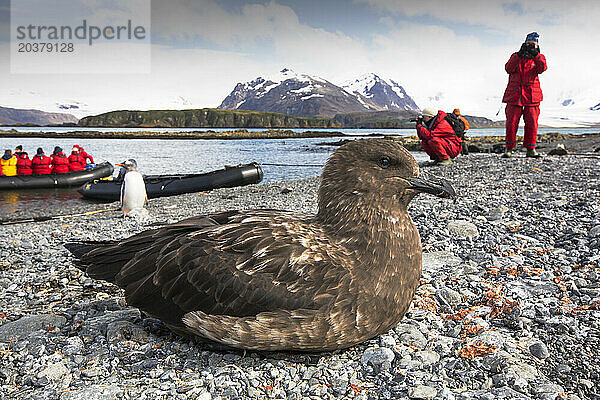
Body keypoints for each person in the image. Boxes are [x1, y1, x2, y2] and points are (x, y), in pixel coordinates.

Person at [502, 31, 547, 158]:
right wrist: (519, 55)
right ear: (523, 43)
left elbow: (542, 68)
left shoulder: (539, 57)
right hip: (515, 95)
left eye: (533, 44)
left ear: (537, 45)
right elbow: (508, 68)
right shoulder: (516, 56)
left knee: (532, 122)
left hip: (532, 95)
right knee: (511, 122)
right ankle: (509, 148)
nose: (530, 47)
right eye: (528, 44)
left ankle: (531, 149)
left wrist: (536, 55)